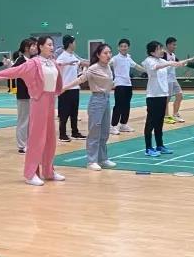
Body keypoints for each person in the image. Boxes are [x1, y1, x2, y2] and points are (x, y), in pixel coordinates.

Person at [0, 36, 64, 186]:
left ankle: (48, 171)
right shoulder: (33, 63)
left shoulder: (52, 62)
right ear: (40, 46)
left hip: (50, 100)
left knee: (50, 138)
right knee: (36, 138)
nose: (52, 47)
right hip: (38, 101)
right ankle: (30, 173)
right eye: (49, 44)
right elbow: (15, 71)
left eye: (52, 44)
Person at [62, 43, 116, 171]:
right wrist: (65, 88)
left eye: (110, 52)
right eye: (105, 53)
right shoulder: (93, 68)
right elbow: (80, 79)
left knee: (104, 131)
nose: (108, 55)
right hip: (97, 101)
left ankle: (103, 159)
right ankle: (92, 161)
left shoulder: (108, 67)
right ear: (98, 55)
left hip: (107, 99)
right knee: (95, 131)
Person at [141, 41, 194, 157]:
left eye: (162, 48)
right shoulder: (148, 61)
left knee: (159, 122)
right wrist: (169, 63)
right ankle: (148, 148)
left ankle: (160, 145)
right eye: (159, 49)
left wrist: (186, 61)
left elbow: (175, 64)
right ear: (152, 52)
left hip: (163, 95)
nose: (162, 50)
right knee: (150, 122)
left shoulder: (162, 61)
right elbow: (156, 67)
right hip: (153, 96)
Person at [109, 39, 143, 134]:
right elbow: (107, 63)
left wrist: (148, 71)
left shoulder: (128, 58)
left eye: (125, 46)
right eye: (121, 46)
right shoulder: (115, 58)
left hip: (128, 84)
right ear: (118, 48)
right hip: (119, 84)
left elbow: (136, 66)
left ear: (128, 47)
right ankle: (112, 126)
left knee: (127, 105)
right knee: (118, 105)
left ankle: (123, 125)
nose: (123, 48)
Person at [56, 35, 86, 142]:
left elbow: (81, 63)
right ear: (70, 43)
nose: (75, 44)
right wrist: (67, 63)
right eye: (74, 42)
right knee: (64, 113)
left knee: (74, 112)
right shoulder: (62, 57)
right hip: (65, 89)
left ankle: (75, 132)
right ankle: (62, 134)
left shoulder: (73, 56)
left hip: (75, 88)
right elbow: (57, 64)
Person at [12, 38, 36, 153]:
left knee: (31, 121)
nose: (35, 48)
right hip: (23, 96)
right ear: (26, 48)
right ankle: (22, 145)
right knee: (23, 120)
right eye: (33, 46)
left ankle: (29, 142)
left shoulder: (33, 60)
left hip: (33, 95)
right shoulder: (20, 60)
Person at [164, 36, 184, 123]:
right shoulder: (163, 55)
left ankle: (175, 114)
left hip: (173, 79)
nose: (175, 47)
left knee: (180, 95)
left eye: (175, 45)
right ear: (168, 45)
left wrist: (184, 63)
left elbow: (178, 63)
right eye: (173, 45)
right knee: (167, 99)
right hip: (166, 80)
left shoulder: (173, 55)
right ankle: (166, 116)